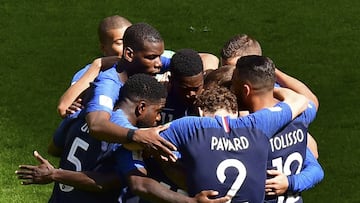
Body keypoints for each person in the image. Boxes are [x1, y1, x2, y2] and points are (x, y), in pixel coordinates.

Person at [16, 74, 228, 203]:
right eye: (158, 111)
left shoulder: (81, 116)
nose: (157, 118)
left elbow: (54, 148)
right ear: (141, 107)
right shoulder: (124, 139)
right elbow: (107, 183)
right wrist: (56, 175)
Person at [157, 55, 309, 202]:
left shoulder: (189, 127)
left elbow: (148, 141)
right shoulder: (258, 125)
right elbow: (301, 100)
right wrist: (266, 85)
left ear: (201, 112)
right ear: (235, 112)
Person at [160, 49, 205, 124]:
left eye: (196, 88)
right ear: (171, 80)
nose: (191, 94)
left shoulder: (210, 102)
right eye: (185, 89)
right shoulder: (158, 101)